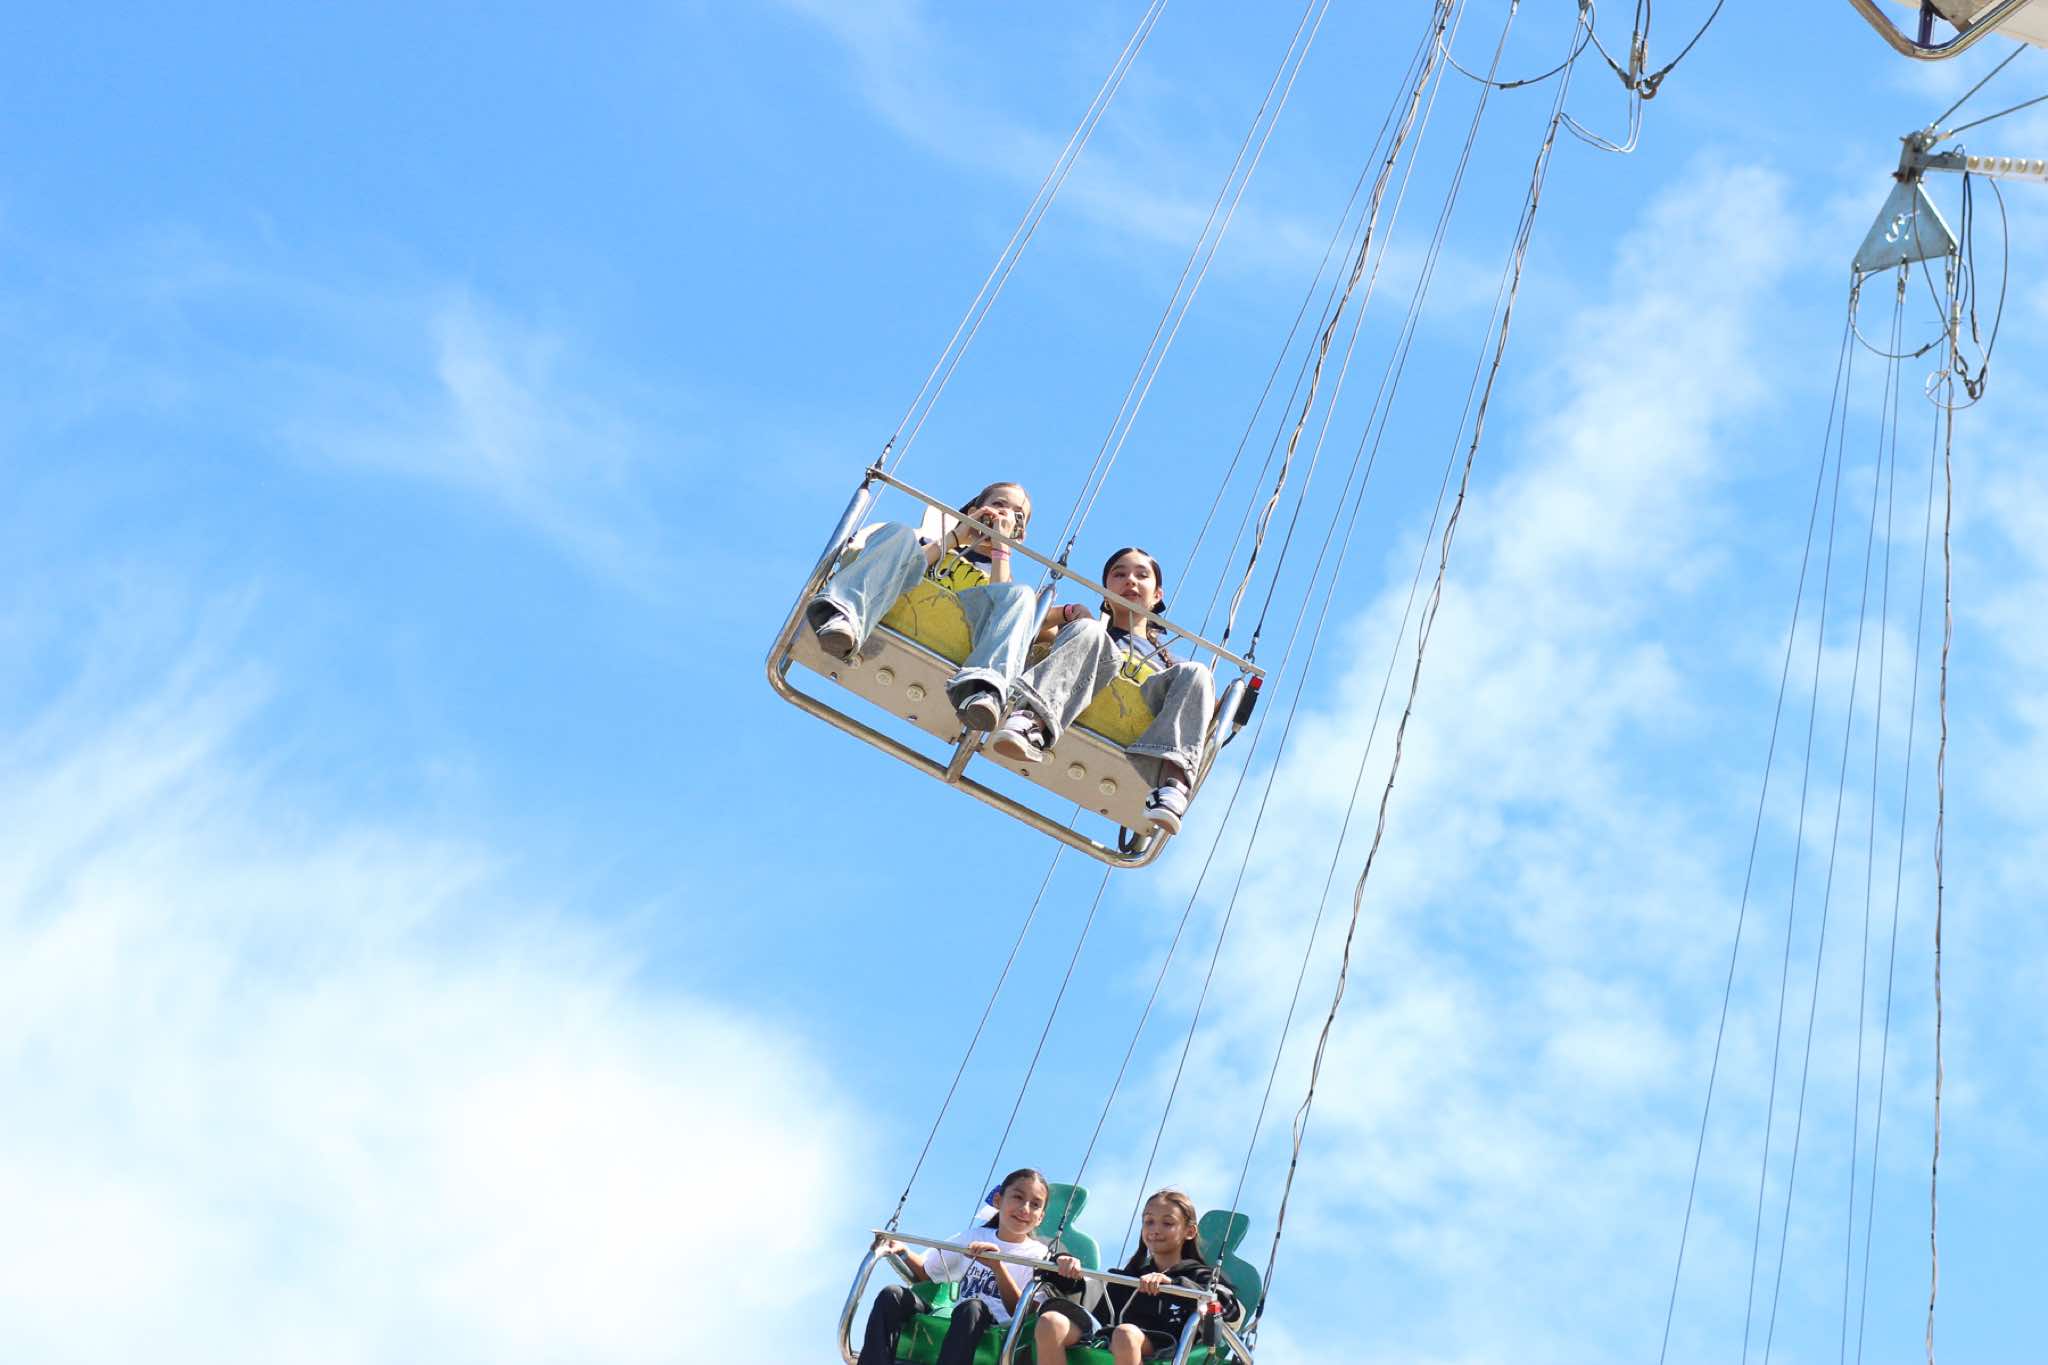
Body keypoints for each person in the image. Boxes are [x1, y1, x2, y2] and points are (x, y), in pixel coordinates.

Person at [989, 548, 1215, 833]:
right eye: (1119, 574)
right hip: (1080, 698)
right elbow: (1020, 618)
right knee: (1091, 630)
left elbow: (1199, 707)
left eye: (1141, 575)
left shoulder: (1174, 667)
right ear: (1106, 592)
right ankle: (1031, 723)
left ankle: (1172, 783)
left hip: (1143, 724)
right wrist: (1069, 614)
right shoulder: (1086, 634)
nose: (1130, 580)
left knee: (1199, 672)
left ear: (1157, 595)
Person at [807, 481, 1046, 731]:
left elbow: (1001, 602)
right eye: (998, 504)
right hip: (896, 601)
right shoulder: (922, 540)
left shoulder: (1002, 578)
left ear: (1019, 534)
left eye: (1017, 514)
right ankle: (842, 618)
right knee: (898, 532)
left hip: (958, 634)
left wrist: (1001, 547)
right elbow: (903, 566)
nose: (1005, 513)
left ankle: (983, 688)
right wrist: (956, 537)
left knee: (1022, 594)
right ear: (975, 511)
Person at [856, 1168, 1053, 1365]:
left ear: (1040, 1217)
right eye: (1018, 1197)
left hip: (1001, 1328)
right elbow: (927, 1272)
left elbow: (1027, 1314)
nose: (1025, 1209)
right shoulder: (974, 1237)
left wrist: (998, 1268)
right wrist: (903, 1252)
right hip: (961, 1319)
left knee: (972, 1307)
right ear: (998, 1201)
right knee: (892, 1294)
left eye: (1035, 1205)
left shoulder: (1038, 1255)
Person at [1033, 1189, 1236, 1365]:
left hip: (1166, 1346)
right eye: (1149, 1222)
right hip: (1107, 1336)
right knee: (1050, 1322)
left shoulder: (1200, 1275)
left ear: (1189, 1232)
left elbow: (1229, 1309)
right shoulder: (1130, 1277)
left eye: (1167, 1223)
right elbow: (1084, 1297)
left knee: (1125, 1334)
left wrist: (1173, 1285)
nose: (1155, 1230)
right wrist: (1063, 1264)